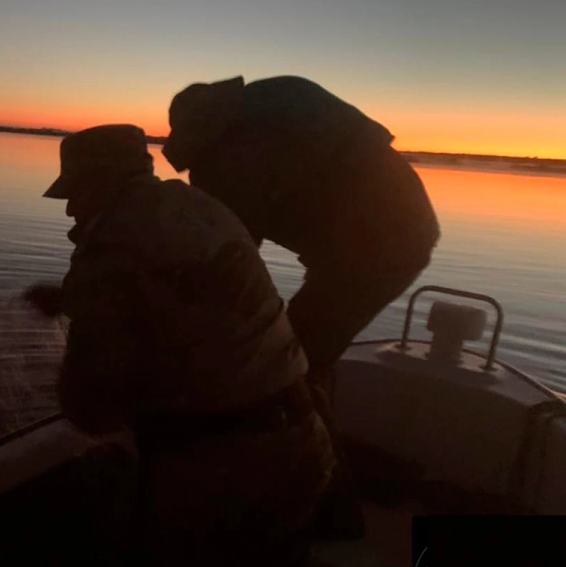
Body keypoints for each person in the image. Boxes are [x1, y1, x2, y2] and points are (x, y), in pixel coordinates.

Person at [26, 124, 335, 565]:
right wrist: (73, 299)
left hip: (223, 471)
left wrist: (84, 306)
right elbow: (187, 294)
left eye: (75, 192)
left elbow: (90, 411)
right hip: (305, 444)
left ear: (101, 183)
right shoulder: (200, 206)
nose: (71, 210)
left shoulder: (109, 243)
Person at [162, 75, 441, 538]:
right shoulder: (280, 98)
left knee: (288, 370)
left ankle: (332, 503)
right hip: (399, 237)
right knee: (303, 354)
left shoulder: (235, 157)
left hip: (368, 257)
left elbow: (227, 260)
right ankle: (334, 459)